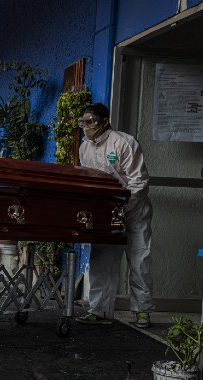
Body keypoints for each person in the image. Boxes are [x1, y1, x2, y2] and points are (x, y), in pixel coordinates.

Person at [75, 103, 154, 328]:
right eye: (83, 122)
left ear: (105, 121)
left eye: (90, 122)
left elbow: (139, 182)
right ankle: (98, 310)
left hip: (134, 210)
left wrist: (123, 207)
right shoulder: (85, 148)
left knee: (139, 259)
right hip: (106, 212)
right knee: (101, 258)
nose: (86, 126)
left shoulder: (123, 143)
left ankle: (142, 311)